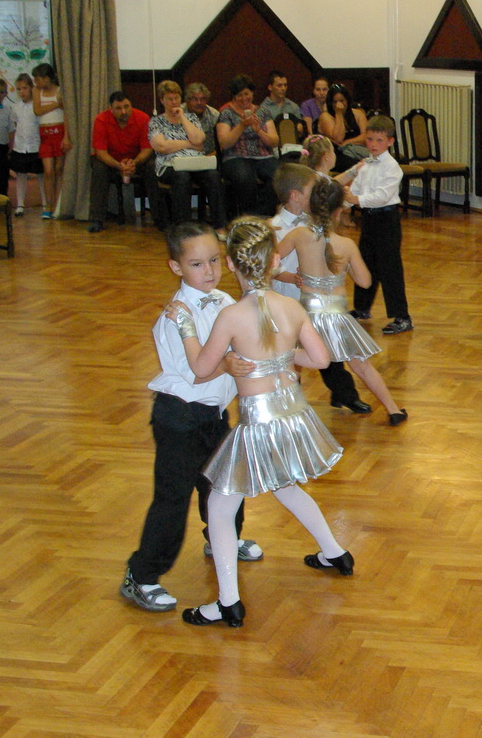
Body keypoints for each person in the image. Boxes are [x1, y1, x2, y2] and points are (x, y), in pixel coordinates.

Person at [169, 217, 353, 629]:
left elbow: (201, 368)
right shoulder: (292, 307)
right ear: (274, 261)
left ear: (231, 264)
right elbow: (321, 359)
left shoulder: (232, 316)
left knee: (219, 506)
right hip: (293, 416)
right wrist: (281, 359)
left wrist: (185, 326)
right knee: (285, 484)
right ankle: (335, 552)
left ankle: (228, 603)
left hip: (259, 423)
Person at [120, 221, 262, 613]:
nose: (210, 271)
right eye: (197, 264)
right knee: (172, 498)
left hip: (213, 415)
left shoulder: (224, 301)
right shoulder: (173, 317)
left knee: (223, 486)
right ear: (176, 267)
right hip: (179, 418)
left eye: (214, 260)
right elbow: (197, 372)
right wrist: (228, 364)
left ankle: (222, 540)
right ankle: (142, 575)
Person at [277, 175, 407, 425]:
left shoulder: (298, 235)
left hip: (306, 317)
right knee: (362, 366)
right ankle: (393, 410)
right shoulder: (346, 245)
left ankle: (287, 411)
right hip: (337, 318)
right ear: (339, 212)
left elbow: (269, 260)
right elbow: (365, 282)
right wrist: (346, 268)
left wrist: (290, 277)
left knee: (294, 364)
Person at [270, 162, 371, 414]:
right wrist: (289, 277)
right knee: (291, 354)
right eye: (312, 190)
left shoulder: (315, 221)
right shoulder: (275, 227)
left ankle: (345, 395)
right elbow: (267, 266)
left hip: (315, 302)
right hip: (288, 300)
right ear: (296, 196)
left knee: (328, 352)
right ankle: (291, 401)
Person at [339, 115, 414, 335]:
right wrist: (343, 202)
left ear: (390, 141)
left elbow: (382, 196)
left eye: (379, 140)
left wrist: (356, 200)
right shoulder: (366, 164)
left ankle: (402, 317)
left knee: (390, 268)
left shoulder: (393, 168)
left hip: (387, 220)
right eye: (370, 139)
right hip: (370, 220)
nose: (373, 144)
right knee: (364, 263)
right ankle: (362, 308)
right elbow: (357, 189)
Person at [149, 80, 225, 233]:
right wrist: (189, 144)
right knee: (182, 176)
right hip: (169, 165)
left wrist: (182, 118)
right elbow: (162, 147)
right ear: (162, 100)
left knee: (213, 175)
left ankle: (220, 225)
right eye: (169, 99)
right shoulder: (156, 122)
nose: (174, 102)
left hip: (194, 163)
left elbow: (199, 140)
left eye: (176, 98)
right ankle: (184, 228)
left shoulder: (191, 118)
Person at [217, 75, 280, 217]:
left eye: (247, 94)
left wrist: (258, 131)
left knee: (278, 175)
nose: (244, 98)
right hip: (235, 157)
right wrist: (241, 126)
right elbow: (224, 143)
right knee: (244, 176)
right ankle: (249, 214)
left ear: (252, 93)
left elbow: (274, 141)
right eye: (239, 95)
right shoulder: (226, 113)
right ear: (234, 96)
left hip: (263, 156)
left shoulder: (263, 112)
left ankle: (263, 214)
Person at [89, 91, 152, 233]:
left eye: (126, 106)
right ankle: (97, 219)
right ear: (111, 109)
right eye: (118, 108)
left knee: (153, 166)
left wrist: (134, 162)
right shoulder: (101, 120)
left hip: (136, 159)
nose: (124, 111)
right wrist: (119, 166)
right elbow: (101, 152)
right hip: (111, 161)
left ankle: (159, 217)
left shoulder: (143, 118)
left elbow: (147, 149)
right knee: (98, 168)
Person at [32, 63, 72, 219]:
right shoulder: (37, 91)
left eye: (38, 79)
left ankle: (57, 204)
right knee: (48, 171)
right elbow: (37, 110)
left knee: (59, 169)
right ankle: (48, 204)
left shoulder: (60, 90)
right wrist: (56, 104)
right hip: (45, 133)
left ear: (47, 78)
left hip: (59, 131)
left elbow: (66, 114)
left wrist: (66, 136)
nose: (36, 82)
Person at [9, 73, 47, 216]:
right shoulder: (16, 107)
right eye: (19, 89)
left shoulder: (37, 105)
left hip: (36, 145)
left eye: (25, 88)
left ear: (31, 88)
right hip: (21, 146)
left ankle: (45, 203)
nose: (22, 92)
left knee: (41, 174)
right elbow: (15, 124)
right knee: (21, 174)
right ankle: (20, 205)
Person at [318, 83, 371, 171]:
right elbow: (338, 138)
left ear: (347, 101)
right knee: (359, 166)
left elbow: (366, 136)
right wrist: (338, 114)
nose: (338, 104)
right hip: (336, 154)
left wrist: (347, 142)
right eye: (335, 102)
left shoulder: (358, 114)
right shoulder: (325, 117)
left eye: (342, 101)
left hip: (356, 150)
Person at [183, 83, 219, 157]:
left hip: (209, 157)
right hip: (183, 158)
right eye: (194, 99)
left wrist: (206, 159)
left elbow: (221, 146)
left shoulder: (214, 115)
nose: (199, 103)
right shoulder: (178, 114)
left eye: (202, 99)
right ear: (187, 100)